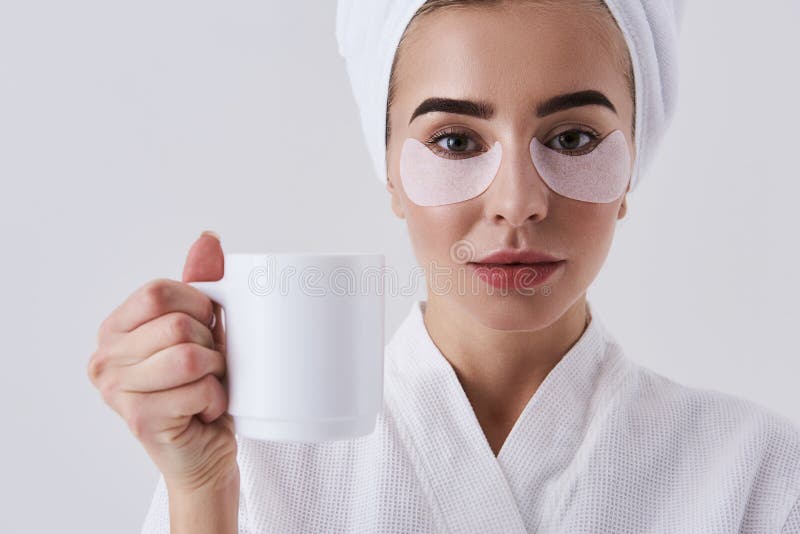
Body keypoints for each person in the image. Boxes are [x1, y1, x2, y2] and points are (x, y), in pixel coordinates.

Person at [87, 0, 800, 532]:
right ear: (390, 171)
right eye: (456, 142)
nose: (518, 203)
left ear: (634, 162)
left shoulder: (752, 472)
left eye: (575, 137)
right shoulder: (258, 464)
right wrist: (201, 492)